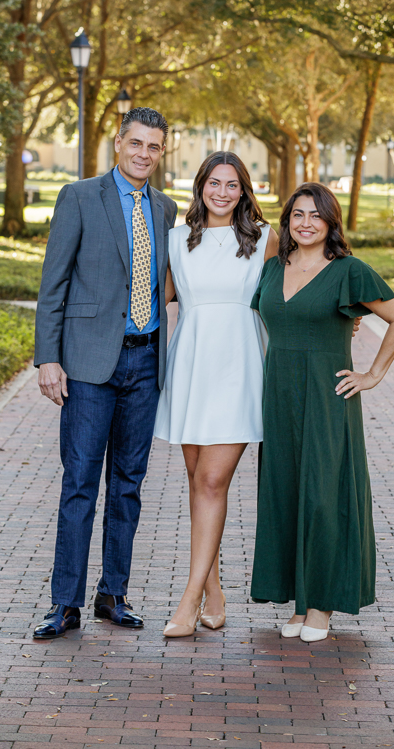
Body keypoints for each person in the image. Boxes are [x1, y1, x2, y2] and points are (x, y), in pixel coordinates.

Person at [32, 107, 177, 638]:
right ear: (118, 143)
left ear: (162, 152)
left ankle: (113, 593)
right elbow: (54, 283)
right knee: (80, 483)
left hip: (145, 361)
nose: (144, 154)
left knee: (128, 484)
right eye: (136, 143)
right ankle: (65, 603)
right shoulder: (78, 197)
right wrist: (49, 357)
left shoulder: (166, 208)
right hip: (89, 364)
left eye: (154, 146)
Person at [250, 182, 394, 642]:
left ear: (330, 222)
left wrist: (372, 374)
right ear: (287, 221)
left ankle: (321, 605)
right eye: (297, 215)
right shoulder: (271, 269)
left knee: (323, 497)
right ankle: (299, 603)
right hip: (279, 398)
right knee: (285, 494)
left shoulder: (348, 271)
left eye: (315, 215)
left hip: (327, 397)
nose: (306, 223)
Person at [153, 151, 279, 637]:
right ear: (200, 186)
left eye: (232, 185)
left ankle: (189, 601)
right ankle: (215, 591)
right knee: (197, 481)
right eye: (214, 183)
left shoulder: (265, 239)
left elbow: (295, 287)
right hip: (191, 367)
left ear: (244, 191)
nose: (222, 192)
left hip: (240, 369)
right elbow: (156, 298)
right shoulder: (175, 240)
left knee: (210, 480)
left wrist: (343, 316)